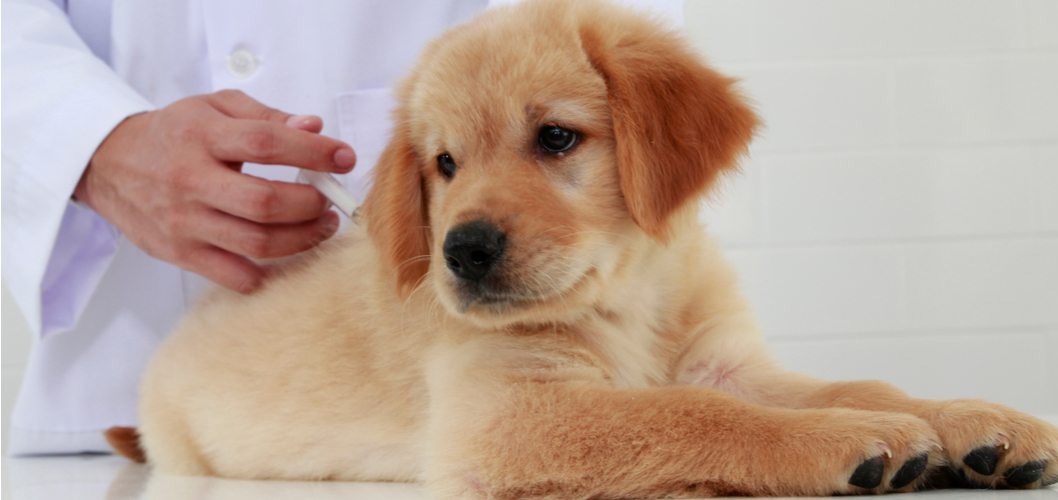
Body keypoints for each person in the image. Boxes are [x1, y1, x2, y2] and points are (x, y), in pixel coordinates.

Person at [2, 0, 682, 456]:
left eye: (557, 139)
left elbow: (622, 59)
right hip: (119, 400)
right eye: (442, 162)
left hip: (492, 392)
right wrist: (91, 141)